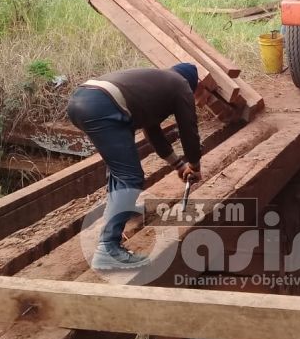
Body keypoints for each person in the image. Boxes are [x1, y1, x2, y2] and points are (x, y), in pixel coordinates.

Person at [67, 64, 202, 270]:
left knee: (120, 169)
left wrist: (179, 165)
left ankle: (123, 208)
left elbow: (153, 133)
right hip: (102, 105)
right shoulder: (181, 84)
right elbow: (188, 129)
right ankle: (108, 249)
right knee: (130, 177)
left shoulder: (156, 85)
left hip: (81, 100)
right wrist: (195, 165)